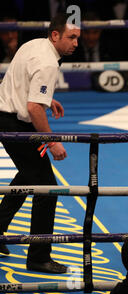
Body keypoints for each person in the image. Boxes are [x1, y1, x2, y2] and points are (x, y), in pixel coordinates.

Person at [0, 13, 79, 273]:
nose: (76, 43)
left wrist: (47, 99)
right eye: (71, 37)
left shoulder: (33, 44)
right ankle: (38, 257)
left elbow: (23, 84)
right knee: (47, 189)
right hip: (15, 123)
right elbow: (34, 108)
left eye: (77, 38)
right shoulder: (47, 62)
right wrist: (52, 141)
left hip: (7, 116)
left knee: (28, 176)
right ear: (55, 35)